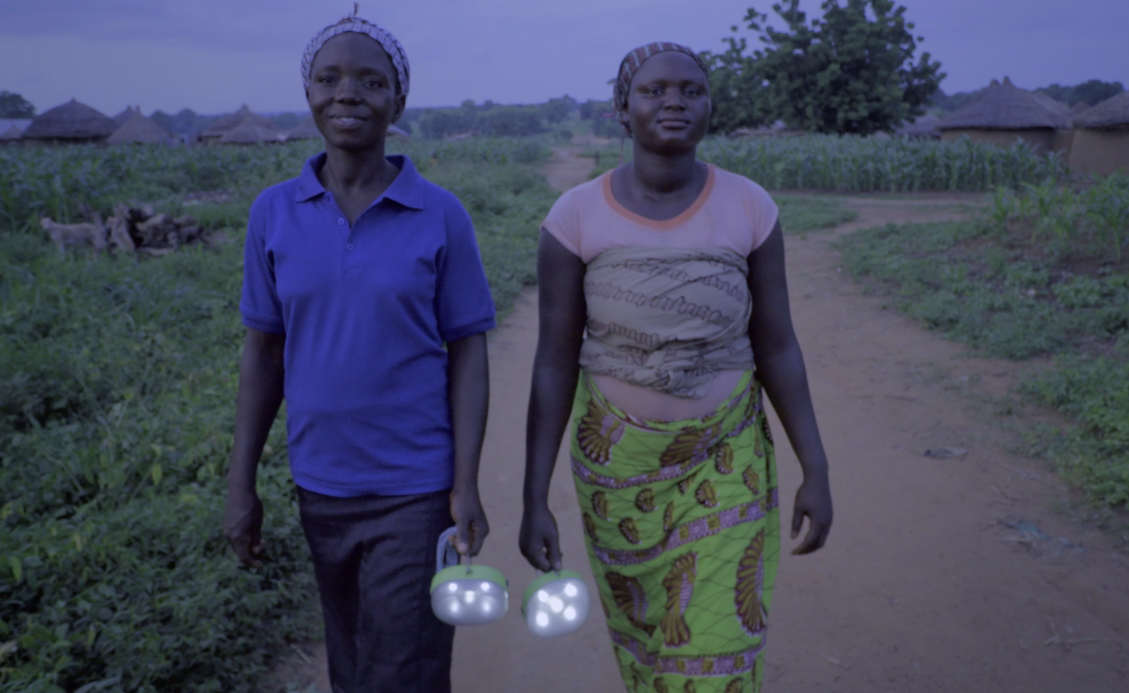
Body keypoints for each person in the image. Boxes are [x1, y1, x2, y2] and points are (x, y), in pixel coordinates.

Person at [520, 43, 833, 693]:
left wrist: (816, 466)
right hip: (615, 470)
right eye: (653, 90)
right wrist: (533, 496)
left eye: (690, 90)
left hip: (726, 455)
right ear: (621, 109)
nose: (672, 101)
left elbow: (776, 345)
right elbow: (553, 361)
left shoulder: (749, 207)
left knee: (711, 653)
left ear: (710, 107)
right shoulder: (575, 216)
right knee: (647, 648)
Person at [223, 11, 494, 693]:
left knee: (404, 667)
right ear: (308, 92)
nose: (348, 93)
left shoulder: (440, 214)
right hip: (321, 481)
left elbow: (467, 351)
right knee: (349, 661)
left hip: (415, 485)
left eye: (371, 81)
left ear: (396, 101)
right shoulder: (274, 212)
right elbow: (264, 351)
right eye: (329, 78)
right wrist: (241, 481)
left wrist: (465, 481)